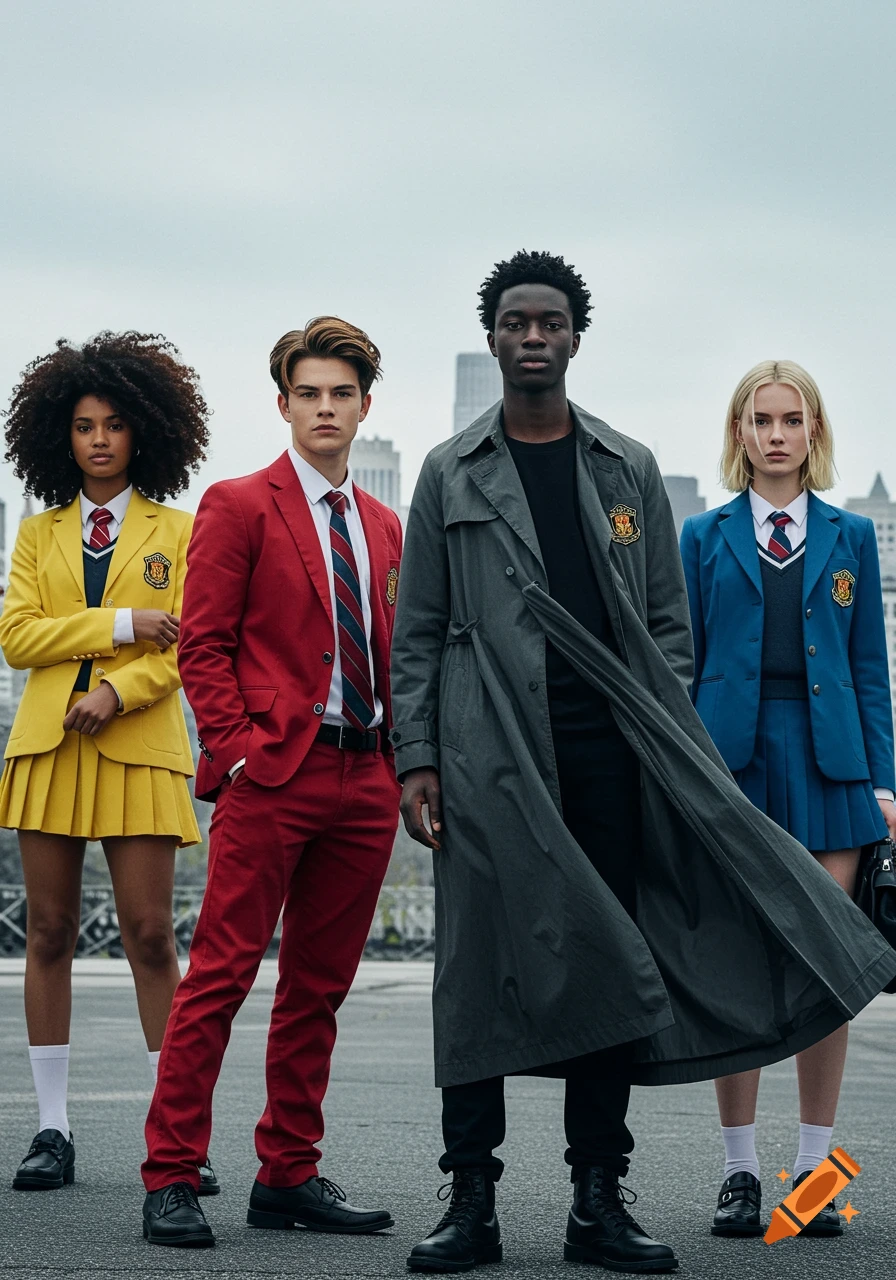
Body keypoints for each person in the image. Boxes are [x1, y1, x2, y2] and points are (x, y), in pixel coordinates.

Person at [389, 250, 896, 1274]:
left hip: (614, 756)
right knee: (475, 972)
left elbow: (667, 627)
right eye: (515, 322)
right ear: (493, 339)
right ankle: (469, 1197)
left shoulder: (624, 467)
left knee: (617, 969)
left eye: (550, 321)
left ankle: (596, 1196)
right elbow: (420, 627)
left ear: (576, 336)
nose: (532, 336)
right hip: (488, 759)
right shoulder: (451, 470)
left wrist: (656, 733)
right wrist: (418, 756)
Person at [140, 316, 403, 1249]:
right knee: (218, 977)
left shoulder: (383, 526)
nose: (325, 408)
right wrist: (242, 751)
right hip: (274, 775)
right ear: (284, 403)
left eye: (342, 394)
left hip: (365, 779)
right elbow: (202, 646)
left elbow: (396, 652)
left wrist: (402, 765)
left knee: (319, 988)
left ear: (364, 407)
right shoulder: (239, 503)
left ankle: (288, 1172)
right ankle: (170, 1173)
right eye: (309, 393)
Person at [679, 360, 896, 1239]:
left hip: (830, 766)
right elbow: (682, 659)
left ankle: (812, 1174)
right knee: (737, 965)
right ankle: (737, 1172)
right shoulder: (702, 535)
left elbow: (869, 670)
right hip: (729, 764)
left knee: (824, 971)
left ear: (813, 433)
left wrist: (883, 782)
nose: (775, 434)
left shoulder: (851, 537)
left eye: (790, 419)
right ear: (740, 433)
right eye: (759, 419)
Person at [0, 331, 211, 1192]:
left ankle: (176, 1139)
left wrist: (115, 692)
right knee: (47, 933)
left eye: (115, 424)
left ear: (144, 434)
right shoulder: (35, 533)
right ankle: (52, 1130)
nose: (98, 438)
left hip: (138, 746)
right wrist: (123, 623)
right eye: (83, 424)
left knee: (151, 936)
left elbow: (187, 647)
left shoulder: (184, 531)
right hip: (48, 746)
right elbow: (18, 638)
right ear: (62, 435)